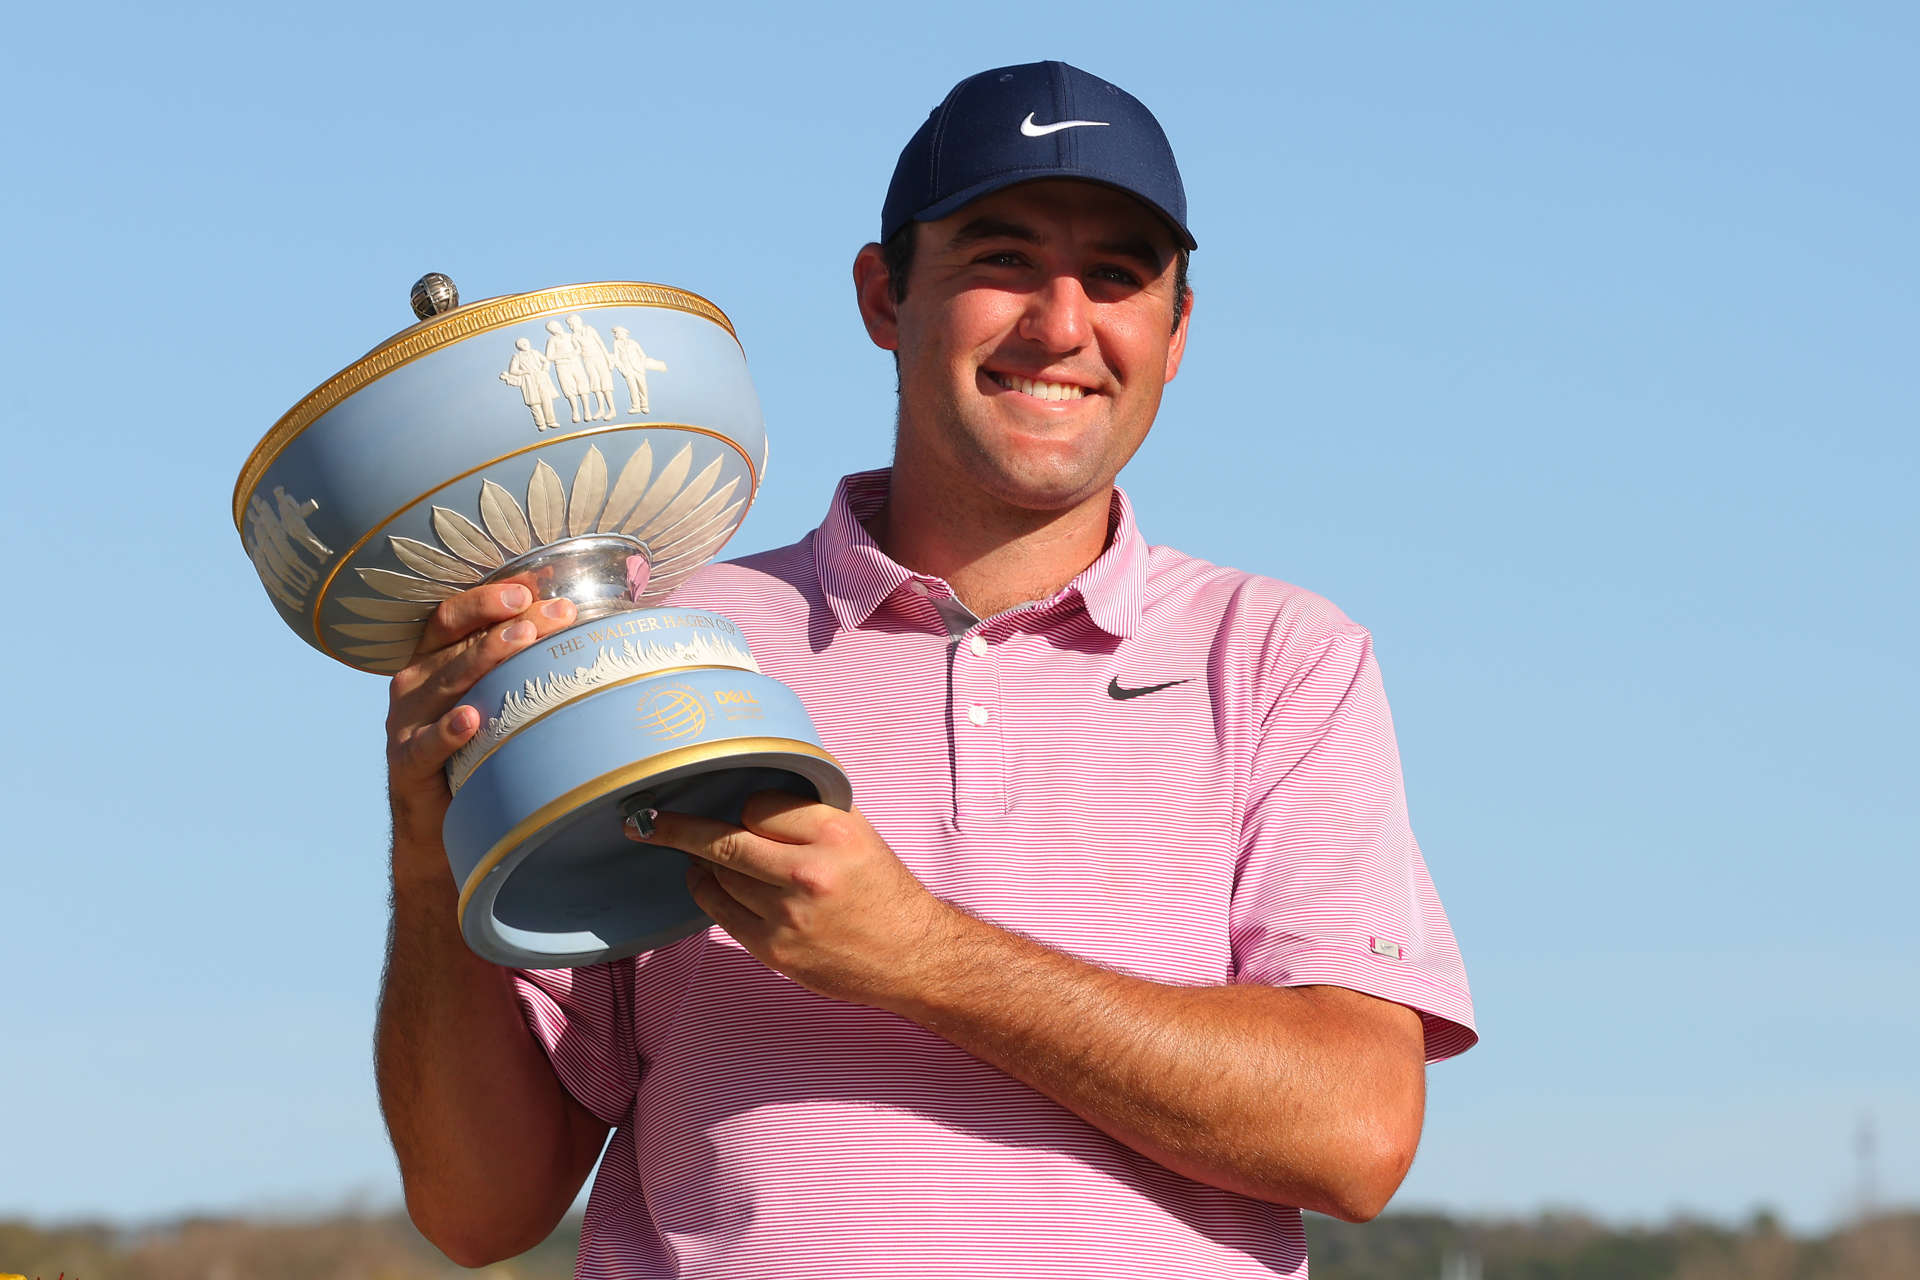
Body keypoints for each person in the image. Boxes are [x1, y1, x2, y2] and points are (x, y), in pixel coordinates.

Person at [375, 61, 1476, 1280]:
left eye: (1116, 276)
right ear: (883, 295)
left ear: (1176, 334)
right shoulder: (669, 638)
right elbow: (482, 1210)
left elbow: (1356, 1133)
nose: (1062, 325)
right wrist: (431, 858)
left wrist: (919, 953)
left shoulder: (1279, 658)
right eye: (1001, 259)